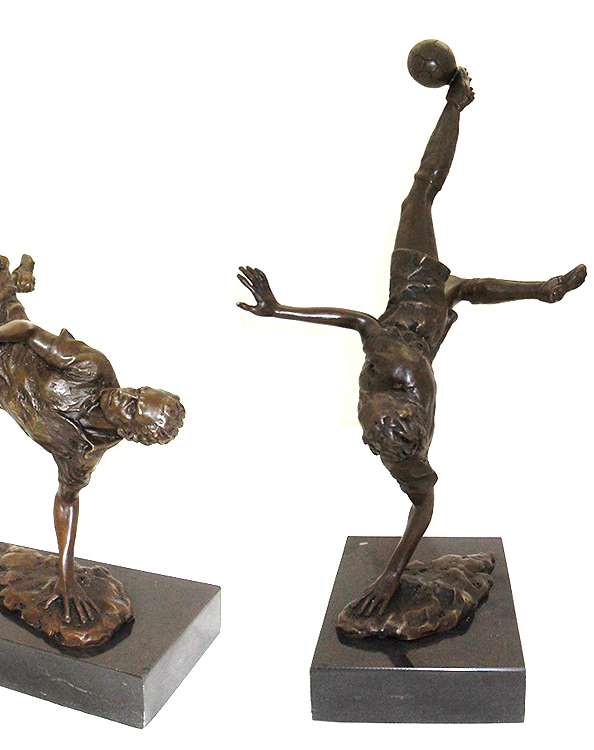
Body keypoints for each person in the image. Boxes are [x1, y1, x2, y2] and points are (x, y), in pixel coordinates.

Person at [237, 68, 586, 618]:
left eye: (368, 430)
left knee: (455, 271)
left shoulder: (404, 426)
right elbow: (358, 322)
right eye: (372, 431)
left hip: (425, 315)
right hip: (417, 296)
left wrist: (392, 574)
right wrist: (277, 310)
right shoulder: (398, 384)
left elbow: (423, 505)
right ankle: (458, 105)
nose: (365, 432)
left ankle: (543, 288)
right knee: (424, 204)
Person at [0, 74, 184, 625]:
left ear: (135, 434)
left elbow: (67, 503)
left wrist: (64, 576)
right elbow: (30, 333)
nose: (126, 396)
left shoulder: (81, 455)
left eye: (134, 407)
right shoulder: (94, 369)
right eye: (139, 391)